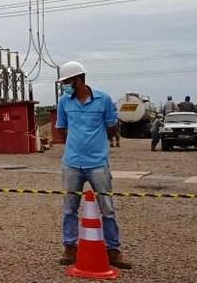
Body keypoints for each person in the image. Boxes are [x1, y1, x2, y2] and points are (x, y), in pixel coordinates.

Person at [55, 61, 131, 270]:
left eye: (67, 82)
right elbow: (61, 129)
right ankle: (70, 247)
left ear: (79, 79)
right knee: (70, 208)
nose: (65, 86)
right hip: (72, 162)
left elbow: (111, 128)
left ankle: (113, 251)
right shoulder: (64, 102)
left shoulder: (103, 100)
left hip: (97, 163)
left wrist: (94, 144)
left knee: (107, 208)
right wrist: (74, 145)